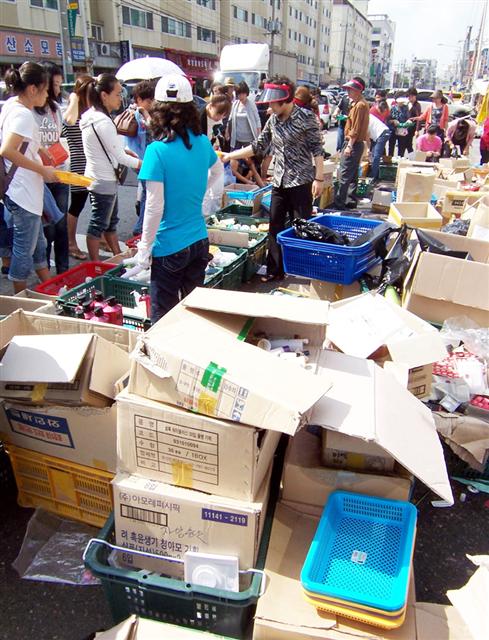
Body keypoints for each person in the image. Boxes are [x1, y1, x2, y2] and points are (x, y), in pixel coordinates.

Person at [124, 74, 223, 323]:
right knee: (193, 315)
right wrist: (200, 197)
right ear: (191, 109)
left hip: (169, 247)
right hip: (199, 240)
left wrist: (144, 249)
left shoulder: (156, 151)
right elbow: (218, 170)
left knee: (164, 320)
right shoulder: (201, 143)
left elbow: (154, 207)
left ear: (158, 111)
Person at [222, 75, 323, 282]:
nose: (271, 106)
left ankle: (301, 269)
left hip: (301, 181)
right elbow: (257, 146)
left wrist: (319, 179)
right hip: (279, 181)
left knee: (301, 226)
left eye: (274, 103)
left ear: (286, 99)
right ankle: (274, 270)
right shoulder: (273, 121)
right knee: (275, 226)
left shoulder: (306, 117)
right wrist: (229, 155)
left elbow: (318, 150)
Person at [0, 62, 59, 293]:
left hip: (20, 190)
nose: (47, 95)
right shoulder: (23, 113)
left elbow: (22, 143)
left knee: (38, 246)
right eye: (45, 90)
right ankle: (20, 297)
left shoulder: (12, 106)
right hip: (23, 192)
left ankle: (50, 288)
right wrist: (42, 170)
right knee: (24, 250)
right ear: (33, 89)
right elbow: (7, 149)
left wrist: (41, 150)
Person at [80, 74, 141, 261]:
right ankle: (96, 264)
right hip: (103, 179)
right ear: (104, 96)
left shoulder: (90, 117)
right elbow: (120, 157)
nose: (120, 98)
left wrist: (122, 151)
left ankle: (117, 258)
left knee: (109, 223)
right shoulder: (103, 121)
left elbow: (109, 147)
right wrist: (145, 164)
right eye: (117, 94)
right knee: (99, 224)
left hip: (98, 176)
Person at [33, 62, 69, 274]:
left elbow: (58, 138)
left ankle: (64, 270)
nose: (56, 89)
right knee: (47, 229)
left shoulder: (56, 109)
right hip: (39, 178)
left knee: (61, 225)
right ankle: (44, 271)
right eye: (54, 84)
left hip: (59, 174)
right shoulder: (28, 111)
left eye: (57, 84)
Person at [62, 74, 93, 260]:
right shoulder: (73, 110)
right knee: (77, 205)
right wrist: (74, 99)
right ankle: (71, 243)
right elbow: (69, 121)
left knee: (100, 205)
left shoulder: (92, 110)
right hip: (80, 165)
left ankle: (104, 237)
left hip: (94, 164)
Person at [334, 77, 369, 210]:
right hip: (357, 143)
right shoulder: (361, 104)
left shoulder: (360, 105)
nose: (348, 92)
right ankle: (350, 201)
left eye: (351, 90)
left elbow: (355, 128)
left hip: (353, 143)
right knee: (352, 174)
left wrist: (349, 145)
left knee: (344, 175)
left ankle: (339, 204)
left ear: (359, 90)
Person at [125, 80, 155, 236]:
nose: (152, 103)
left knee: (146, 193)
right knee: (149, 194)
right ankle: (140, 227)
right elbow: (152, 128)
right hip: (141, 159)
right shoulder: (139, 114)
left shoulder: (135, 112)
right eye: (149, 100)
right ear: (138, 100)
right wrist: (145, 112)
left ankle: (141, 225)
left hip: (141, 158)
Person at [227, 81, 261, 151]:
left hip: (249, 139)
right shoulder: (235, 104)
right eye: (239, 94)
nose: (241, 96)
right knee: (233, 159)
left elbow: (257, 120)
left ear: (246, 93)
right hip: (237, 138)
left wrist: (259, 135)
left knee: (249, 161)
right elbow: (230, 118)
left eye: (243, 93)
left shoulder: (251, 104)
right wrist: (227, 131)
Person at [368, 114, 391, 180]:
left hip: (383, 133)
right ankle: (376, 174)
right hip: (379, 135)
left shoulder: (365, 117)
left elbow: (367, 135)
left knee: (376, 155)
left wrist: (367, 149)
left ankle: (373, 176)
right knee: (373, 155)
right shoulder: (366, 115)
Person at [406, 88, 421, 154]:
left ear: (415, 96)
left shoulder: (417, 105)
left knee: (408, 143)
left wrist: (417, 130)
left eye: (411, 96)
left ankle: (411, 156)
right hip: (405, 125)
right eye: (408, 96)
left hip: (412, 127)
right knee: (404, 143)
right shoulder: (407, 104)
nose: (410, 98)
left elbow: (418, 118)